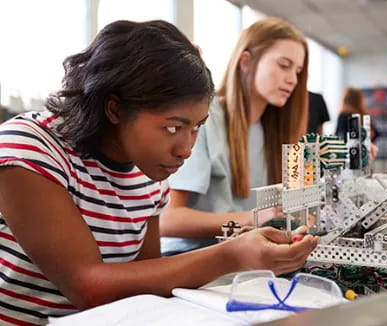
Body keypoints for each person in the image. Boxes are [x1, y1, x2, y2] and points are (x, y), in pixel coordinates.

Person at [0, 20, 318, 325]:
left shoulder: (147, 171)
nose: (186, 148)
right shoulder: (30, 148)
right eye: (173, 127)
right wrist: (232, 254)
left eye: (197, 128)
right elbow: (87, 286)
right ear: (115, 109)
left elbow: (148, 276)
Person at [160, 17, 309, 255]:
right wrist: (251, 218)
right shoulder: (204, 120)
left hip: (244, 261)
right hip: (191, 261)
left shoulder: (272, 132)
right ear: (246, 61)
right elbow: (167, 220)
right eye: (283, 65)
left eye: (298, 71)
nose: (292, 79)